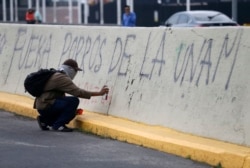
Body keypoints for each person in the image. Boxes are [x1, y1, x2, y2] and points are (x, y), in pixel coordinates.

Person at [34, 59, 109, 132]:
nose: (76, 73)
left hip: (42, 106)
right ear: (70, 69)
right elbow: (78, 92)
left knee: (71, 111)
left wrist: (71, 111)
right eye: (75, 70)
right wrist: (99, 93)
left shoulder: (56, 74)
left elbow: (60, 98)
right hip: (46, 106)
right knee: (74, 101)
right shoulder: (62, 78)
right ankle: (58, 125)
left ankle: (45, 121)